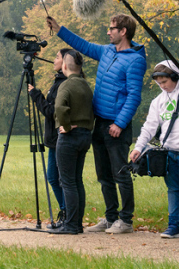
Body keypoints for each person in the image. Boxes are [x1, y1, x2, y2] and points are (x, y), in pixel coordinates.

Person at [46, 14, 147, 234]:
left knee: (120, 172)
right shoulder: (107, 51)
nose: (108, 32)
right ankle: (111, 218)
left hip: (116, 125)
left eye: (112, 28)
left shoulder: (136, 60)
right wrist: (59, 29)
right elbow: (82, 45)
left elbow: (133, 96)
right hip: (98, 122)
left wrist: (120, 123)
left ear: (124, 32)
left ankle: (126, 220)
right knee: (103, 175)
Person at [130, 60, 179, 241]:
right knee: (173, 189)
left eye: (165, 82)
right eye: (159, 83)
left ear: (175, 77)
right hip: (168, 152)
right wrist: (138, 147)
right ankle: (173, 226)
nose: (162, 86)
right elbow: (149, 127)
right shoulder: (157, 101)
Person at [27, 48, 74, 229]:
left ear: (65, 63)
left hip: (58, 138)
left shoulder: (63, 84)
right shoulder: (59, 82)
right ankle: (66, 212)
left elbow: (50, 112)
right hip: (54, 139)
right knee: (54, 178)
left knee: (57, 178)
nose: (53, 60)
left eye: (57, 57)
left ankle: (66, 213)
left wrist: (36, 95)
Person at [49, 50, 94, 235]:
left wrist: (65, 126)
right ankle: (77, 223)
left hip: (70, 137)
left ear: (65, 66)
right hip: (85, 135)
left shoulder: (66, 85)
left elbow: (59, 107)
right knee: (77, 181)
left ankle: (70, 224)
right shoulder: (86, 85)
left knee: (67, 182)